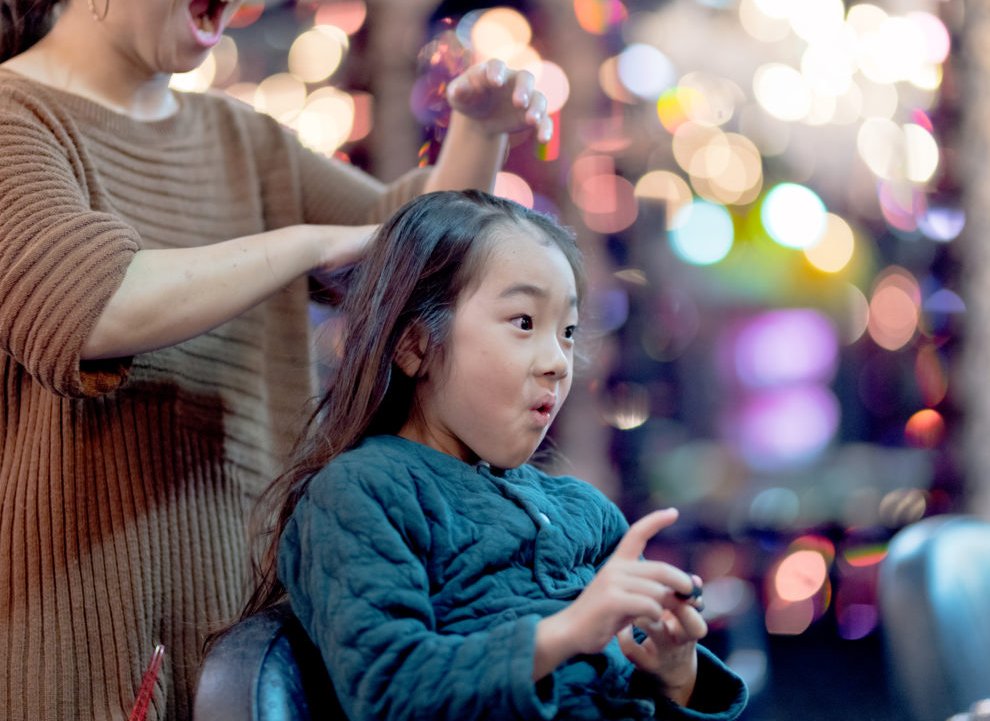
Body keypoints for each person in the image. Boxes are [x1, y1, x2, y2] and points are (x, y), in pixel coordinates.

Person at [0, 0, 554, 718]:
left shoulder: (242, 140)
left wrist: (479, 129)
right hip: (31, 655)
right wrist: (304, 241)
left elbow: (409, 252)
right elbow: (93, 305)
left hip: (223, 650)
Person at [253, 190, 748, 720]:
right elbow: (389, 694)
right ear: (415, 344)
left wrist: (675, 673)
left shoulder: (588, 512)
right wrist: (567, 632)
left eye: (568, 332)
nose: (558, 362)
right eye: (524, 322)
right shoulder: (361, 491)